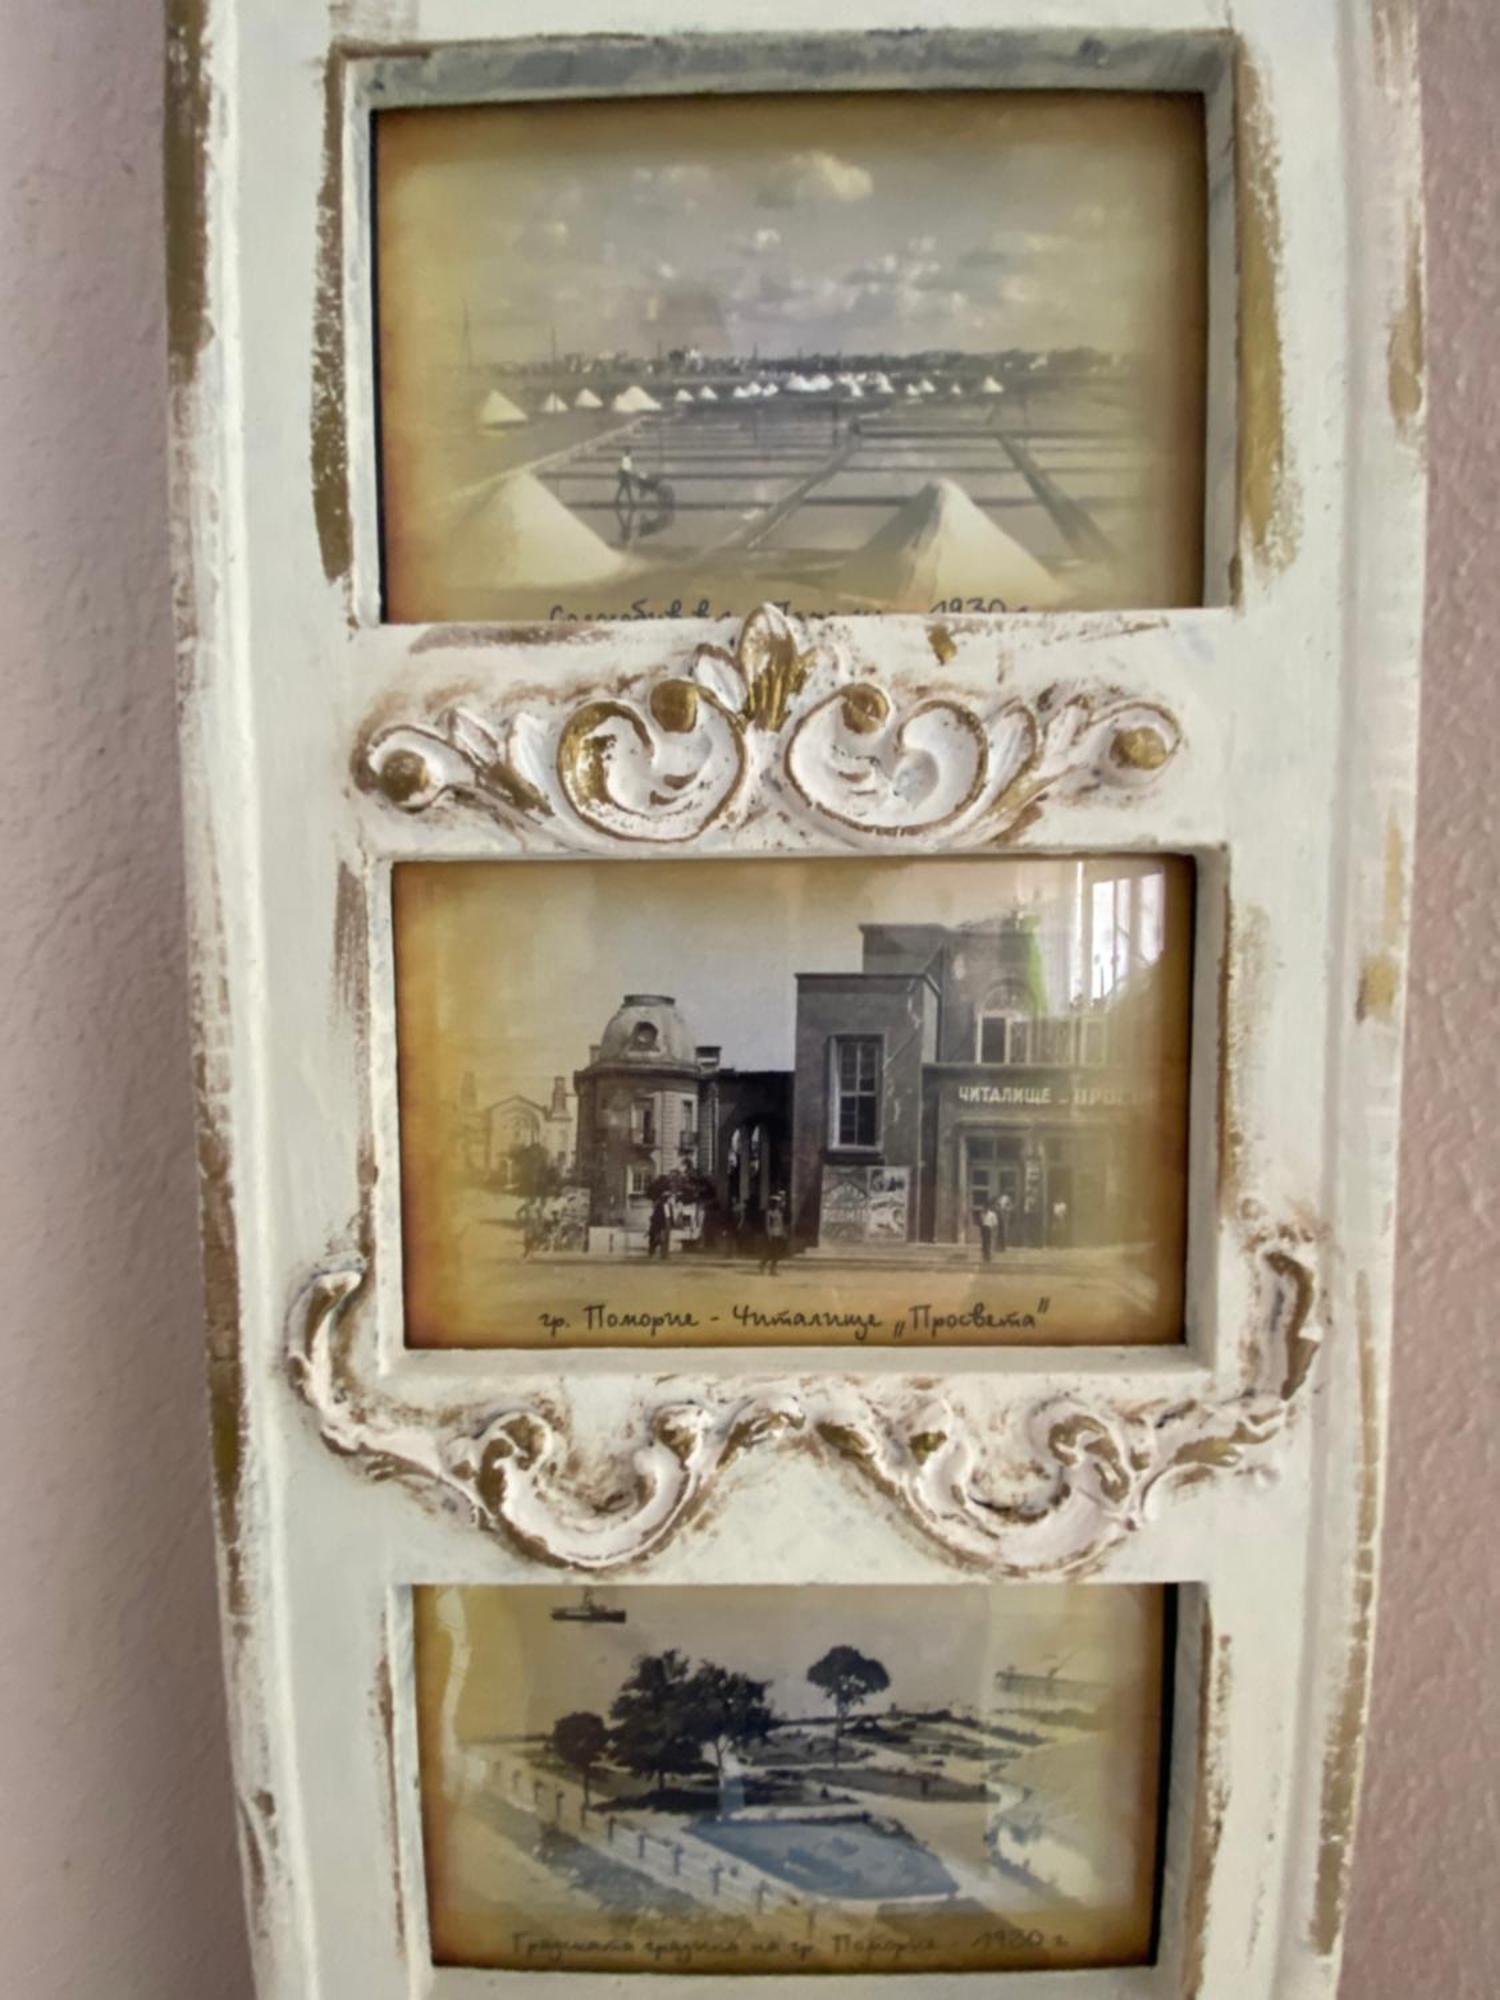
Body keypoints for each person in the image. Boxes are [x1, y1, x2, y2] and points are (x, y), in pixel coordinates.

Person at [760, 1196, 788, 1277]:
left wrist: (783, 1233)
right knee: (773, 1252)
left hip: (779, 1234)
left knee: (776, 1252)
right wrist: (769, 1234)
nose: (779, 1204)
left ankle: (766, 1266)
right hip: (772, 1234)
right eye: (777, 1203)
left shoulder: (779, 1212)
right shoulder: (769, 1213)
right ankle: (768, 1267)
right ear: (774, 1203)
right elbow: (768, 1225)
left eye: (779, 1203)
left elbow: (781, 1224)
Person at [647, 1190, 671, 1260]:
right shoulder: (661, 1204)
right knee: (659, 1240)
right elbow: (658, 1215)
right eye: (666, 1197)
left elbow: (669, 1215)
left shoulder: (667, 1205)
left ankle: (663, 1254)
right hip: (660, 1225)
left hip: (664, 1224)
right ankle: (657, 1253)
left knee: (663, 1240)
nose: (667, 1199)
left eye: (667, 1197)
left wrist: (670, 1223)